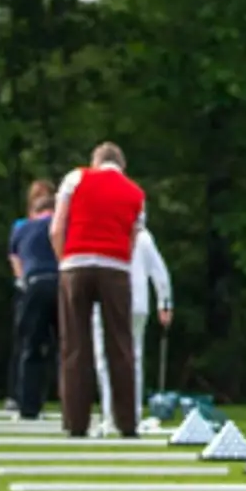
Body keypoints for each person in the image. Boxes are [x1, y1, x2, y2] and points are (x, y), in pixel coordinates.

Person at [50, 143, 147, 438]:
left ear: (95, 161)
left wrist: (64, 261)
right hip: (115, 267)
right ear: (122, 166)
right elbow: (132, 239)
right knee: (121, 345)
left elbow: (56, 228)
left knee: (75, 345)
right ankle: (127, 422)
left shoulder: (76, 178)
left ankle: (76, 422)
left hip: (76, 263)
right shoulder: (136, 193)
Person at [94, 224, 173, 434]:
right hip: (137, 304)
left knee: (105, 359)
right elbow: (160, 271)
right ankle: (131, 414)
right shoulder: (144, 237)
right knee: (133, 359)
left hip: (109, 303)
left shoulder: (104, 233)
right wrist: (164, 302)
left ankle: (110, 414)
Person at [9, 180, 60, 422]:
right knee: (67, 348)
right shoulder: (59, 225)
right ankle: (73, 403)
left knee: (30, 347)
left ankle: (28, 406)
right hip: (60, 283)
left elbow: (16, 258)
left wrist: (23, 282)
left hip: (34, 285)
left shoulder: (22, 228)